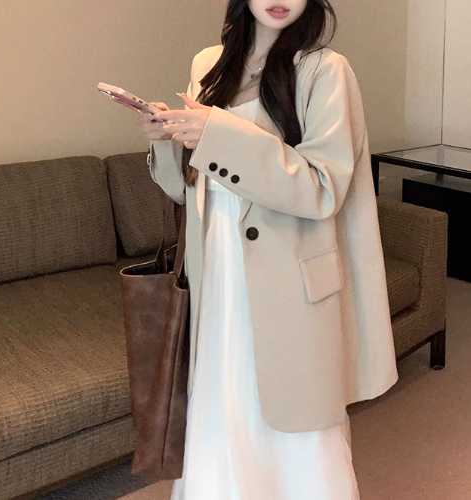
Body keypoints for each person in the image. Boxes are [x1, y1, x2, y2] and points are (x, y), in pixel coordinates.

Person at [131, 0, 400, 498]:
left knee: (296, 416)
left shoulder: (325, 70)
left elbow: (322, 188)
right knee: (224, 401)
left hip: (291, 277)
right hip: (218, 270)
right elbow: (188, 189)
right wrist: (168, 139)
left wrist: (218, 135)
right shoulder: (207, 64)